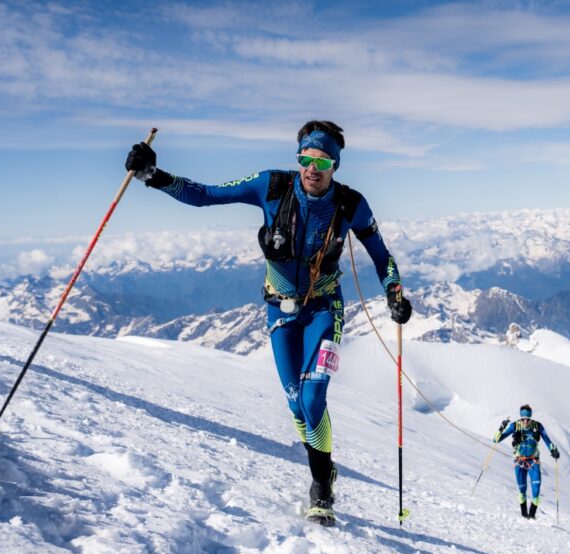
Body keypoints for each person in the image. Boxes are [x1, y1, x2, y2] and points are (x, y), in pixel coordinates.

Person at [125, 120, 412, 526]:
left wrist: (395, 294)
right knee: (296, 403)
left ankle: (321, 488)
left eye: (323, 159)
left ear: (336, 164)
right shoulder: (271, 186)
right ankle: (324, 466)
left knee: (313, 400)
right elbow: (206, 195)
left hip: (324, 309)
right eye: (306, 158)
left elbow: (382, 256)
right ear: (298, 160)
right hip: (279, 309)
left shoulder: (351, 205)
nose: (313, 168)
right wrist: (152, 176)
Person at [494, 404, 559, 519]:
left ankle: (532, 515)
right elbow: (496, 440)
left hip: (534, 461)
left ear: (530, 418)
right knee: (522, 489)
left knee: (536, 487)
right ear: (521, 417)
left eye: (527, 419)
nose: (525, 421)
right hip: (520, 462)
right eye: (523, 419)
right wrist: (501, 428)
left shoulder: (537, 426)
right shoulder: (515, 426)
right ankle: (524, 515)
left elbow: (547, 440)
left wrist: (553, 450)